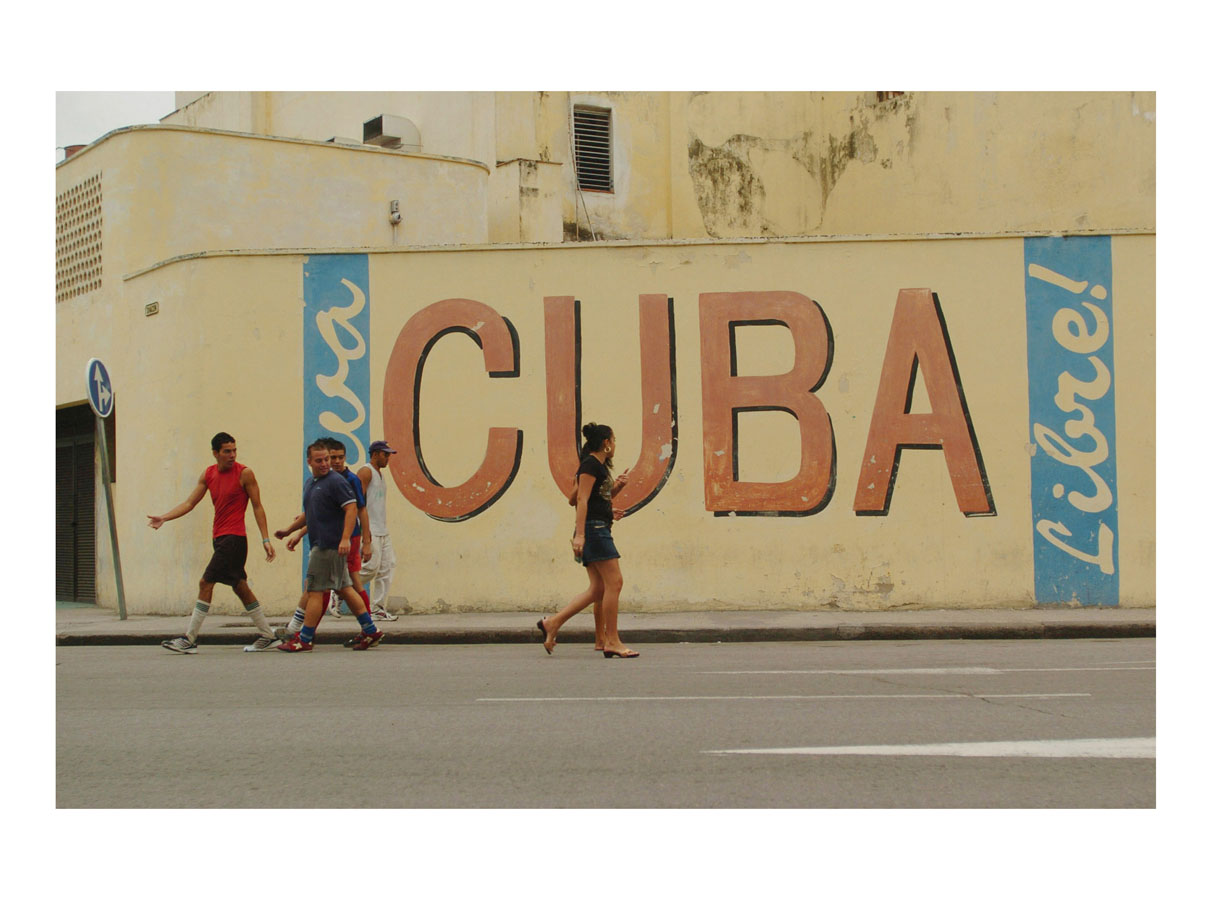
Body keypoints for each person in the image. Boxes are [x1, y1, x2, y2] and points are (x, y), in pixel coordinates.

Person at [147, 431, 279, 653]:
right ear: (215, 453)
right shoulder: (208, 474)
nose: (232, 455)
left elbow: (257, 506)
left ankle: (189, 639)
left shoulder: (245, 473)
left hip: (234, 539)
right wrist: (164, 518)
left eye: (234, 450)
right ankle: (268, 635)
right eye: (227, 451)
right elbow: (189, 503)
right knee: (240, 586)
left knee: (205, 583)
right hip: (219, 538)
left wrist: (265, 538)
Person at [537, 423, 638, 658]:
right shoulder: (591, 464)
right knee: (615, 583)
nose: (615, 444)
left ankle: (552, 623)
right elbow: (579, 500)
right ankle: (611, 640)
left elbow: (595, 499)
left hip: (598, 526)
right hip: (594, 531)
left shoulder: (596, 466)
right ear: (606, 442)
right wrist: (580, 534)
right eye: (614, 439)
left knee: (598, 588)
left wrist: (616, 490)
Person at [274, 440, 384, 651]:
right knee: (345, 588)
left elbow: (352, 509)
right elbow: (310, 513)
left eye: (327, 459)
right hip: (321, 543)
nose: (325, 463)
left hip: (327, 546)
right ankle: (371, 630)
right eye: (320, 460)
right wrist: (290, 531)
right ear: (309, 461)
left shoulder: (336, 482)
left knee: (315, 590)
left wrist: (345, 539)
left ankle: (304, 639)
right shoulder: (311, 483)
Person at [358, 440, 399, 621]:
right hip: (371, 528)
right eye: (385, 454)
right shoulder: (366, 472)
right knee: (371, 568)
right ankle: (342, 589)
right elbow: (357, 503)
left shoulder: (380, 475)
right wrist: (364, 534)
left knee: (387, 567)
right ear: (375, 454)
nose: (388, 458)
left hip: (383, 528)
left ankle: (378, 608)